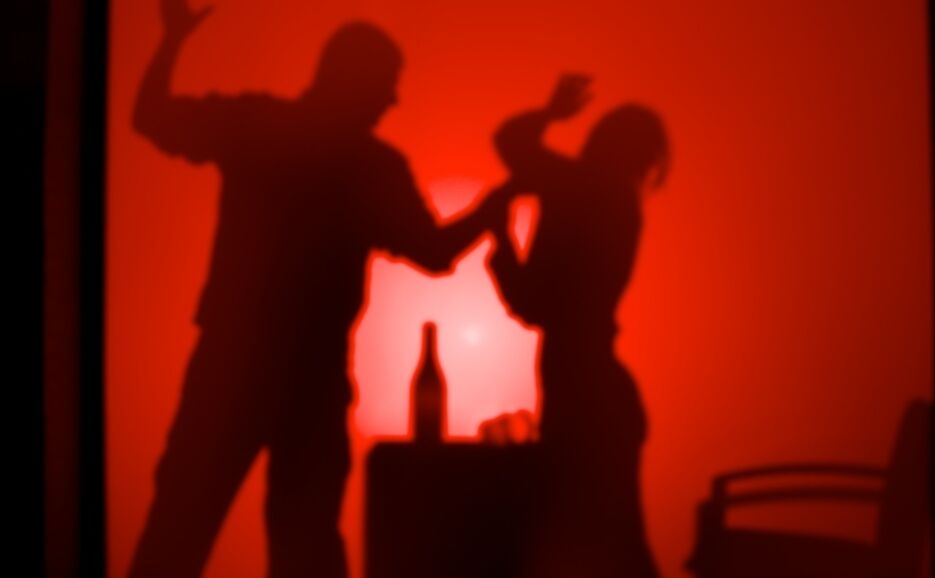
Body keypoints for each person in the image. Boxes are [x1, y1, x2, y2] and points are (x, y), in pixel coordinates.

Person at [128, 3, 488, 577]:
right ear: (358, 82)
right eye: (386, 85)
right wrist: (495, 207)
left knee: (180, 529)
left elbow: (151, 116)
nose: (391, 101)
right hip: (306, 380)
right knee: (302, 547)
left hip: (235, 367)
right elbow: (435, 251)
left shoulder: (261, 126)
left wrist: (172, 41)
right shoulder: (369, 166)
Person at [484, 74, 669, 578]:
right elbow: (540, 306)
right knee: (615, 551)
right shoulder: (614, 202)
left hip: (583, 399)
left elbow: (508, 140)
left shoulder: (579, 188)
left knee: (598, 552)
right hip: (597, 395)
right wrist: (503, 244)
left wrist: (549, 113)